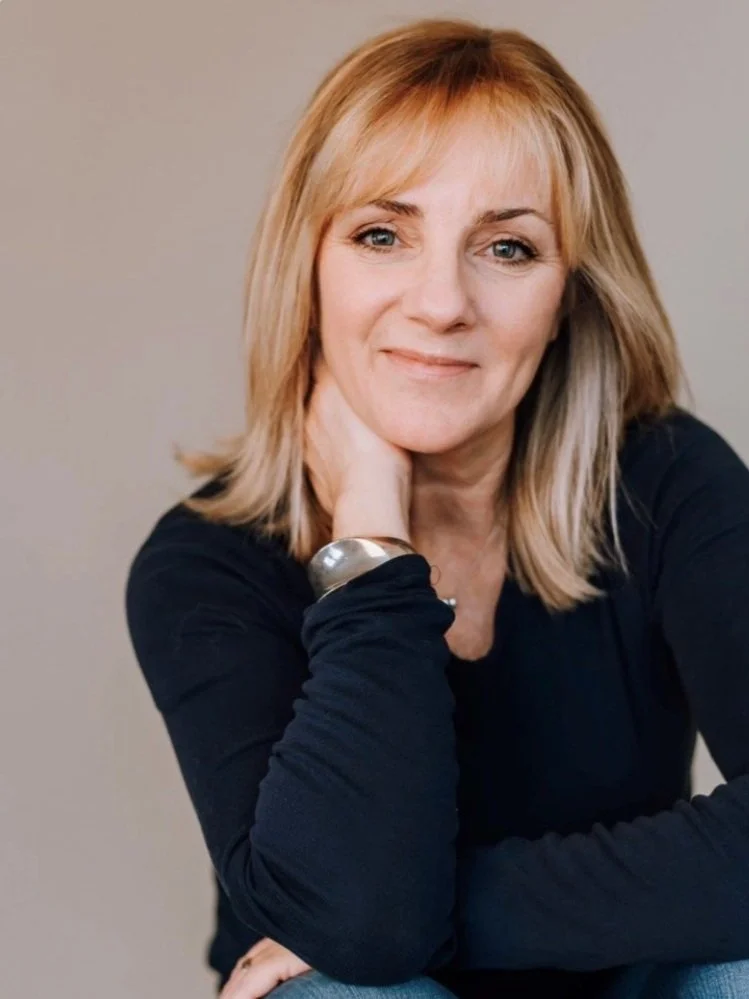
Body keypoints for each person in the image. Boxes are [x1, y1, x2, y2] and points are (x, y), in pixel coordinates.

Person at [124, 16, 749, 999]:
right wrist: (369, 535)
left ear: (567, 298)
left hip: (628, 985)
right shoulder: (207, 565)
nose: (440, 303)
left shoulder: (664, 482)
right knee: (337, 993)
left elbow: (369, 920)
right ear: (311, 264)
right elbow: (362, 939)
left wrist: (435, 910)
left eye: (505, 249)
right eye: (382, 235)